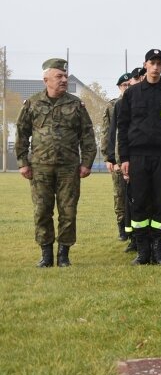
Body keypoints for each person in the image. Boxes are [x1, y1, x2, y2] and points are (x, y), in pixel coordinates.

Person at [16, 59, 97, 267]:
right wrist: (23, 162)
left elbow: (87, 135)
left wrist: (87, 162)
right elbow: (22, 134)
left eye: (65, 76)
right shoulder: (32, 104)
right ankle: (46, 254)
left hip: (69, 168)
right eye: (59, 76)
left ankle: (63, 255)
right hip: (40, 168)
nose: (64, 80)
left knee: (68, 212)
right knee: (42, 211)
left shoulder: (75, 105)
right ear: (46, 80)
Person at [117, 49, 161, 265]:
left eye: (159, 63)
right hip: (138, 157)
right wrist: (124, 158)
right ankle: (142, 250)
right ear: (145, 65)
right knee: (139, 203)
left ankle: (158, 249)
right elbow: (123, 126)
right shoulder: (132, 94)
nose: (155, 67)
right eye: (152, 62)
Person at [106, 66, 146, 254]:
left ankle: (145, 238)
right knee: (126, 197)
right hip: (125, 158)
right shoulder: (120, 105)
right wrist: (112, 158)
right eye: (133, 81)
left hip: (145, 158)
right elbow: (113, 133)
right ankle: (130, 236)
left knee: (143, 198)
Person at [102, 72, 132, 241]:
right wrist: (108, 157)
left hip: (133, 156)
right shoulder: (112, 106)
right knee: (119, 194)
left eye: (129, 85)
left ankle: (133, 227)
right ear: (119, 87)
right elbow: (107, 132)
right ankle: (122, 227)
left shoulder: (136, 102)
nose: (127, 88)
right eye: (124, 85)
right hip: (117, 157)